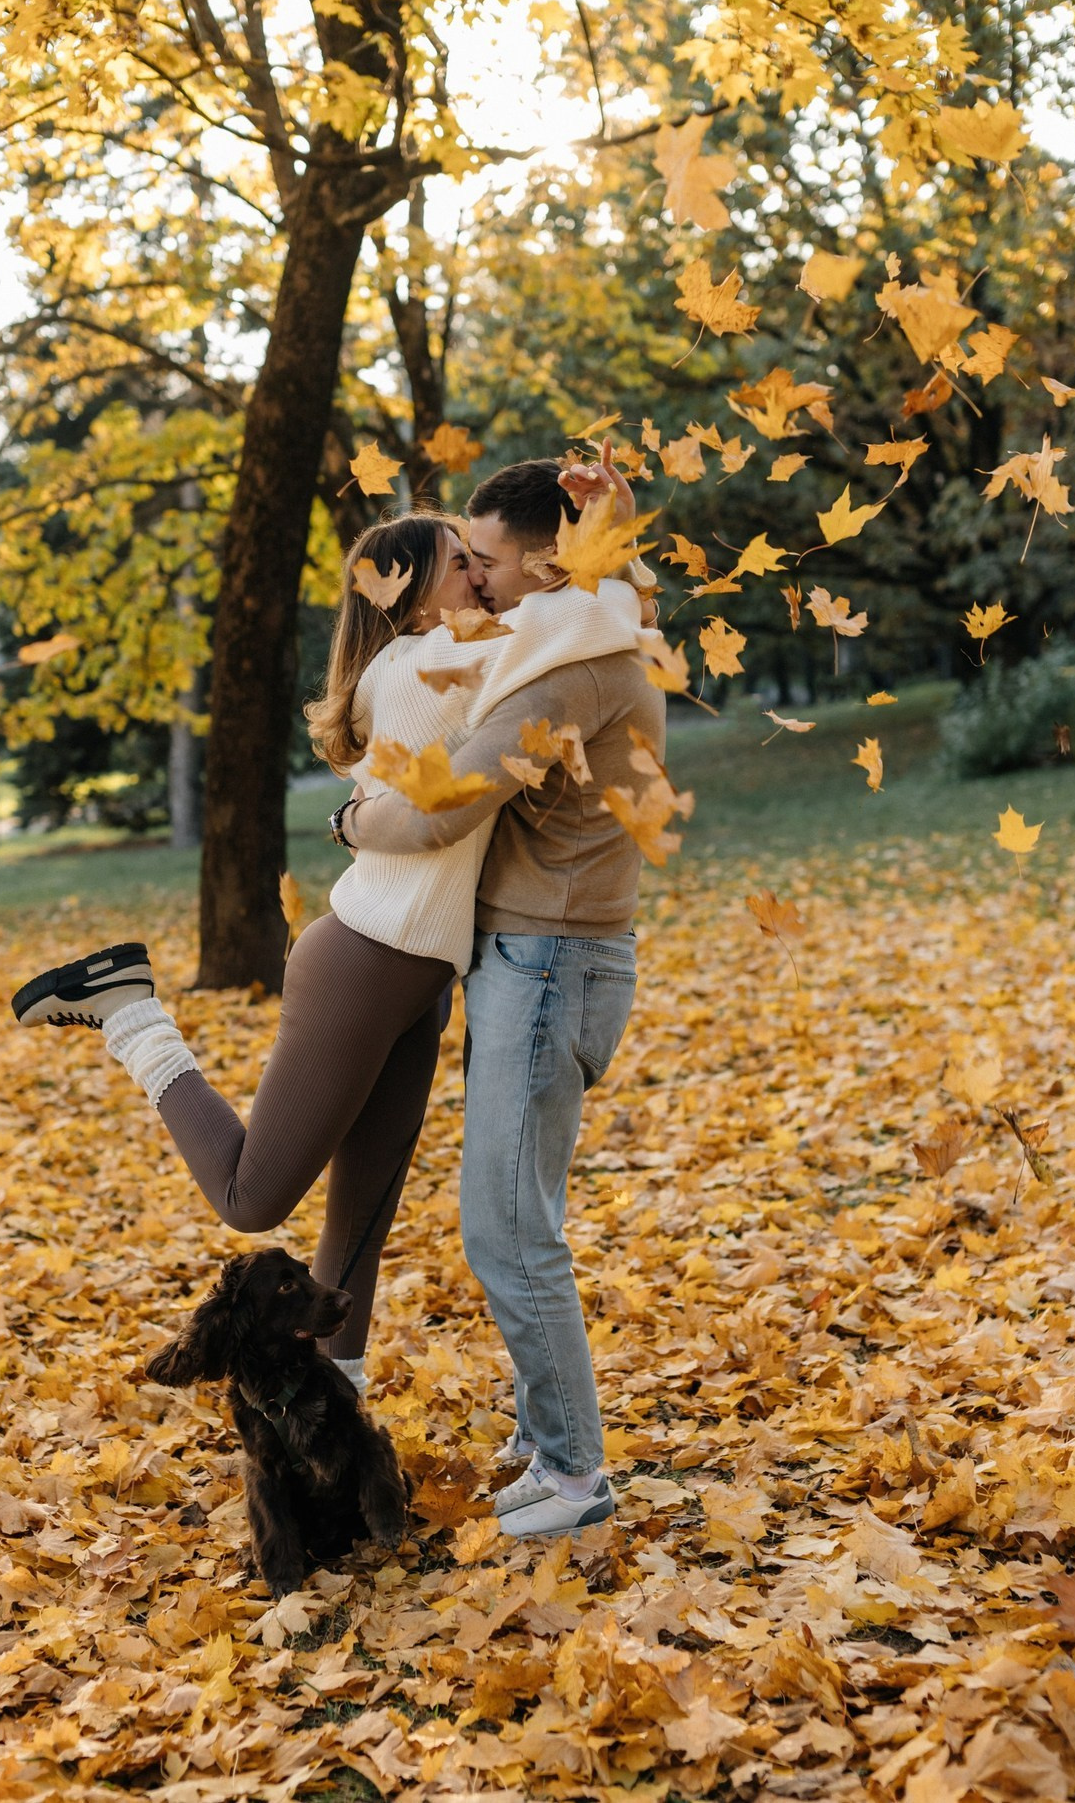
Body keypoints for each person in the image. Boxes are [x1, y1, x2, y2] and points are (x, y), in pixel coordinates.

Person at [10, 500, 645, 1396]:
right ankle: (131, 1013)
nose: (481, 575)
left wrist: (592, 548)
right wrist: (599, 543)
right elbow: (587, 618)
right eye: (461, 560)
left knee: (359, 1224)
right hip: (363, 961)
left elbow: (576, 625)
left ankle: (329, 1410)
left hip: (415, 974)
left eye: (482, 559)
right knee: (253, 1200)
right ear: (411, 593)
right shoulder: (433, 663)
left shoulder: (439, 658)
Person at [340, 453, 667, 1537]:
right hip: (543, 958)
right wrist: (606, 518)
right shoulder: (583, 623)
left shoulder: (566, 671)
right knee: (520, 1215)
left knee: (504, 1229)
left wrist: (349, 824)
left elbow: (438, 809)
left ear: (538, 561)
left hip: (548, 962)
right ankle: (542, 1435)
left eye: (481, 559)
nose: (469, 578)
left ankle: (575, 1474)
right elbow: (610, 573)